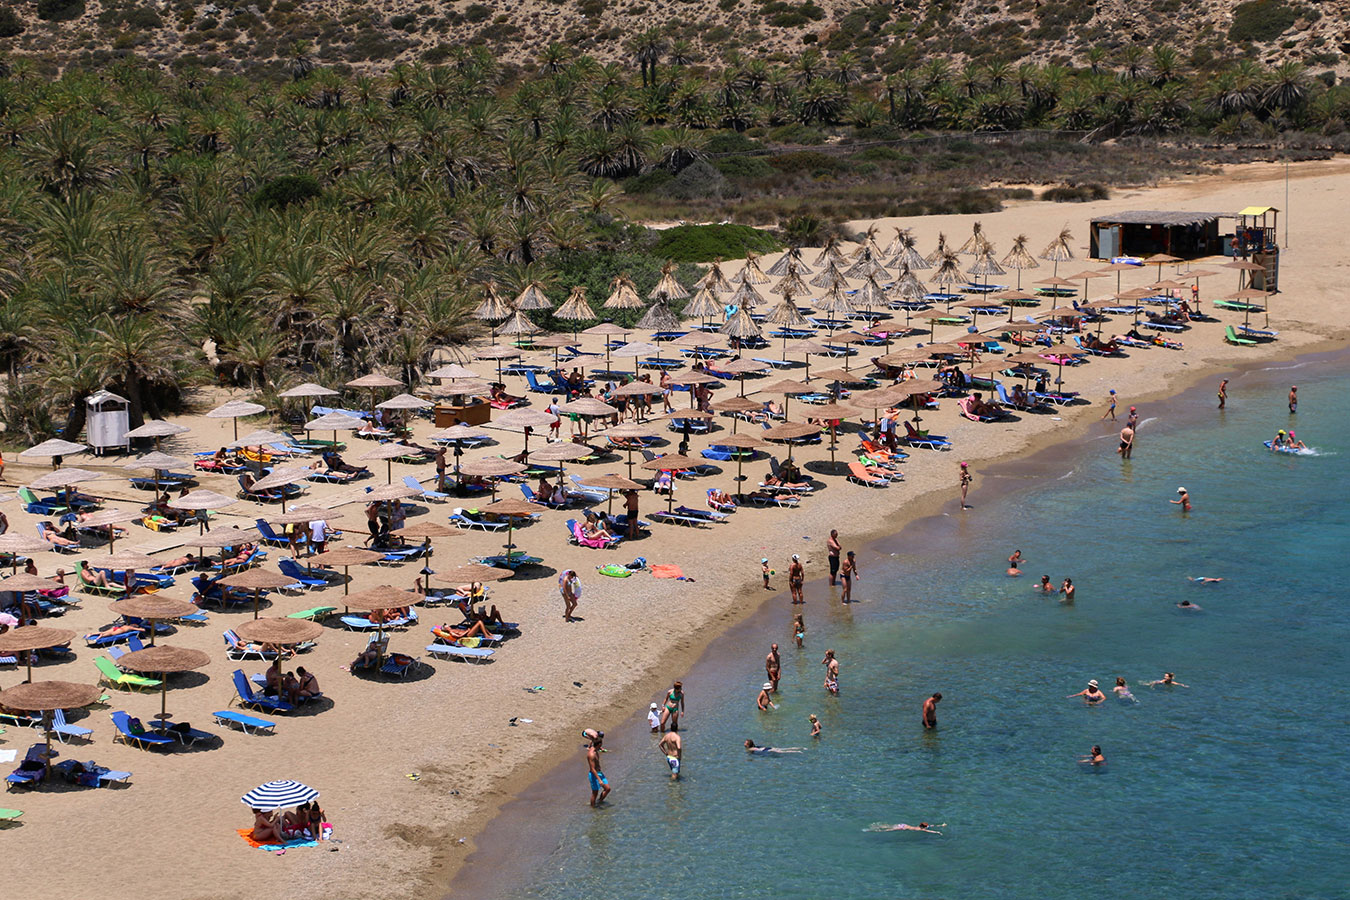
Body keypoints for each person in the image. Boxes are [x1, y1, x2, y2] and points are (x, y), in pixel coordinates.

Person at [586, 731, 610, 807]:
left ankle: (599, 802)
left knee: (608, 789)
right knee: (595, 793)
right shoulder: (591, 754)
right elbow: (592, 769)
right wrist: (599, 780)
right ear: (599, 744)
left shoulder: (596, 750)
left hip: (599, 772)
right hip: (594, 774)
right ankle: (592, 807)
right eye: (601, 745)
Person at [867, 822, 944, 834]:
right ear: (924, 827)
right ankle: (875, 830)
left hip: (903, 825)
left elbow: (931, 826)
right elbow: (930, 831)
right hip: (903, 828)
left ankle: (878, 826)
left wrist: (941, 825)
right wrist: (937, 832)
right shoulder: (921, 829)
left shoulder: (919, 827)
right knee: (889, 830)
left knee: (889, 826)